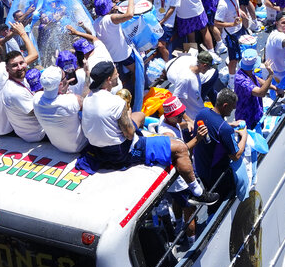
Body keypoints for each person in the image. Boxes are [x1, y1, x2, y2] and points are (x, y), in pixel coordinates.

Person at [78, 62, 218, 203]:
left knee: (140, 115)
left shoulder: (87, 99)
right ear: (108, 79)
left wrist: (87, 76)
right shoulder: (116, 103)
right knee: (180, 148)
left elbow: (87, 93)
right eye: (115, 73)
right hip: (121, 153)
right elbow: (130, 134)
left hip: (98, 150)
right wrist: (127, 113)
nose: (118, 75)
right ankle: (198, 193)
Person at [33, 65, 86, 153]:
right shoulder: (71, 100)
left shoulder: (36, 99)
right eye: (65, 76)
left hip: (58, 146)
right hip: (81, 145)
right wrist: (87, 76)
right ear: (60, 84)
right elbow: (89, 104)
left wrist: (63, 93)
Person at [1, 50, 45, 142]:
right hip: (37, 134)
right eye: (14, 65)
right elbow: (40, 112)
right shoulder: (14, 92)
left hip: (32, 129)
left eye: (21, 63)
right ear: (7, 69)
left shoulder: (19, 79)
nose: (20, 67)